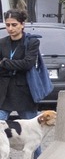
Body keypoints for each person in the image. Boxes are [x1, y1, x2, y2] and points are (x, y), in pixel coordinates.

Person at [0, 10, 43, 143]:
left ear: (22, 24)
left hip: (24, 92)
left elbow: (27, 64)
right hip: (4, 91)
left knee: (33, 132)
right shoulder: (2, 43)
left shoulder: (31, 42)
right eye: (7, 25)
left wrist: (5, 63)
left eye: (14, 25)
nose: (10, 28)